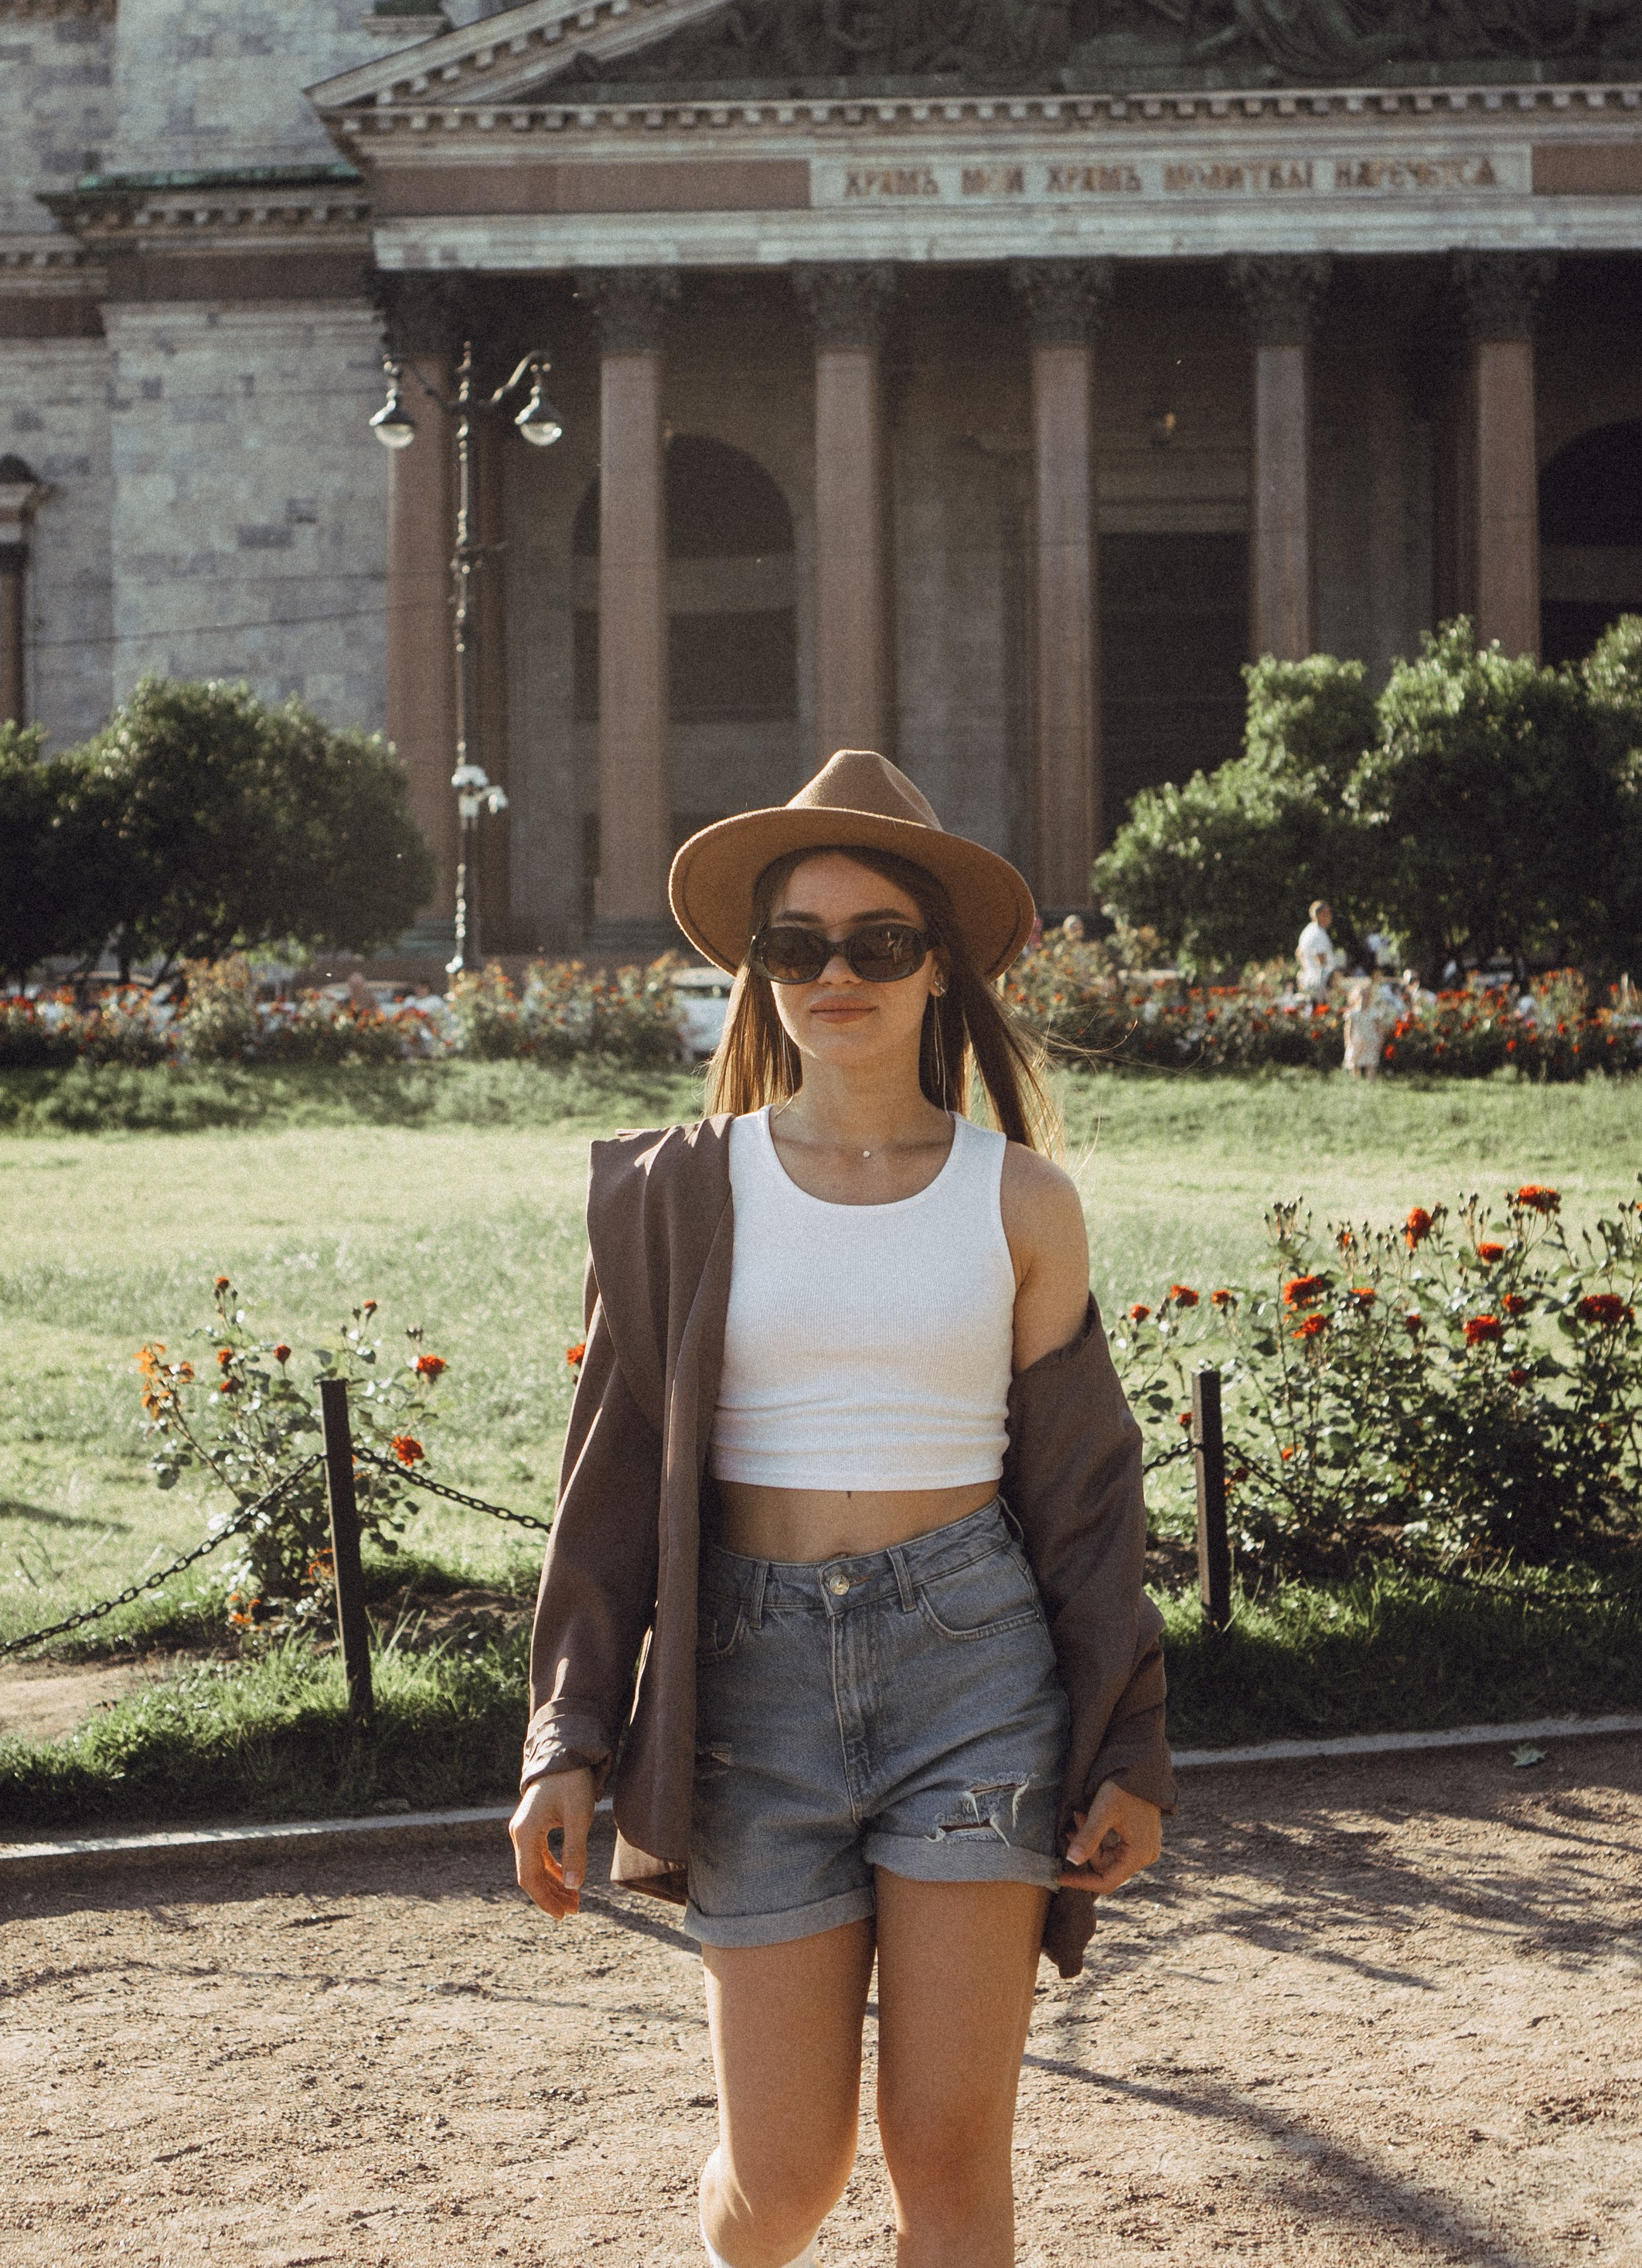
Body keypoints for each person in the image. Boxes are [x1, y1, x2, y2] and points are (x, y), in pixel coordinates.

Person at [513, 752, 1172, 2268]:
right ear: (759, 977)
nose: (835, 975)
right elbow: (605, 1495)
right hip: (749, 1698)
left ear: (938, 967)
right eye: (795, 946)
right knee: (783, 2184)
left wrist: (1129, 1746)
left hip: (970, 1676)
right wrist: (568, 1738)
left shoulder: (1021, 1202)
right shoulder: (682, 1193)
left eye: (876, 942)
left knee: (946, 2158)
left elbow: (1082, 1506)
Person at [1296, 898, 1338, 998]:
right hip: (1321, 984)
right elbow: (1321, 960)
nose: (1330, 917)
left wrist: (1307, 970)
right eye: (1328, 913)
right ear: (1320, 915)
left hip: (1308, 979)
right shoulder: (1318, 934)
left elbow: (1298, 953)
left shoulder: (1307, 931)